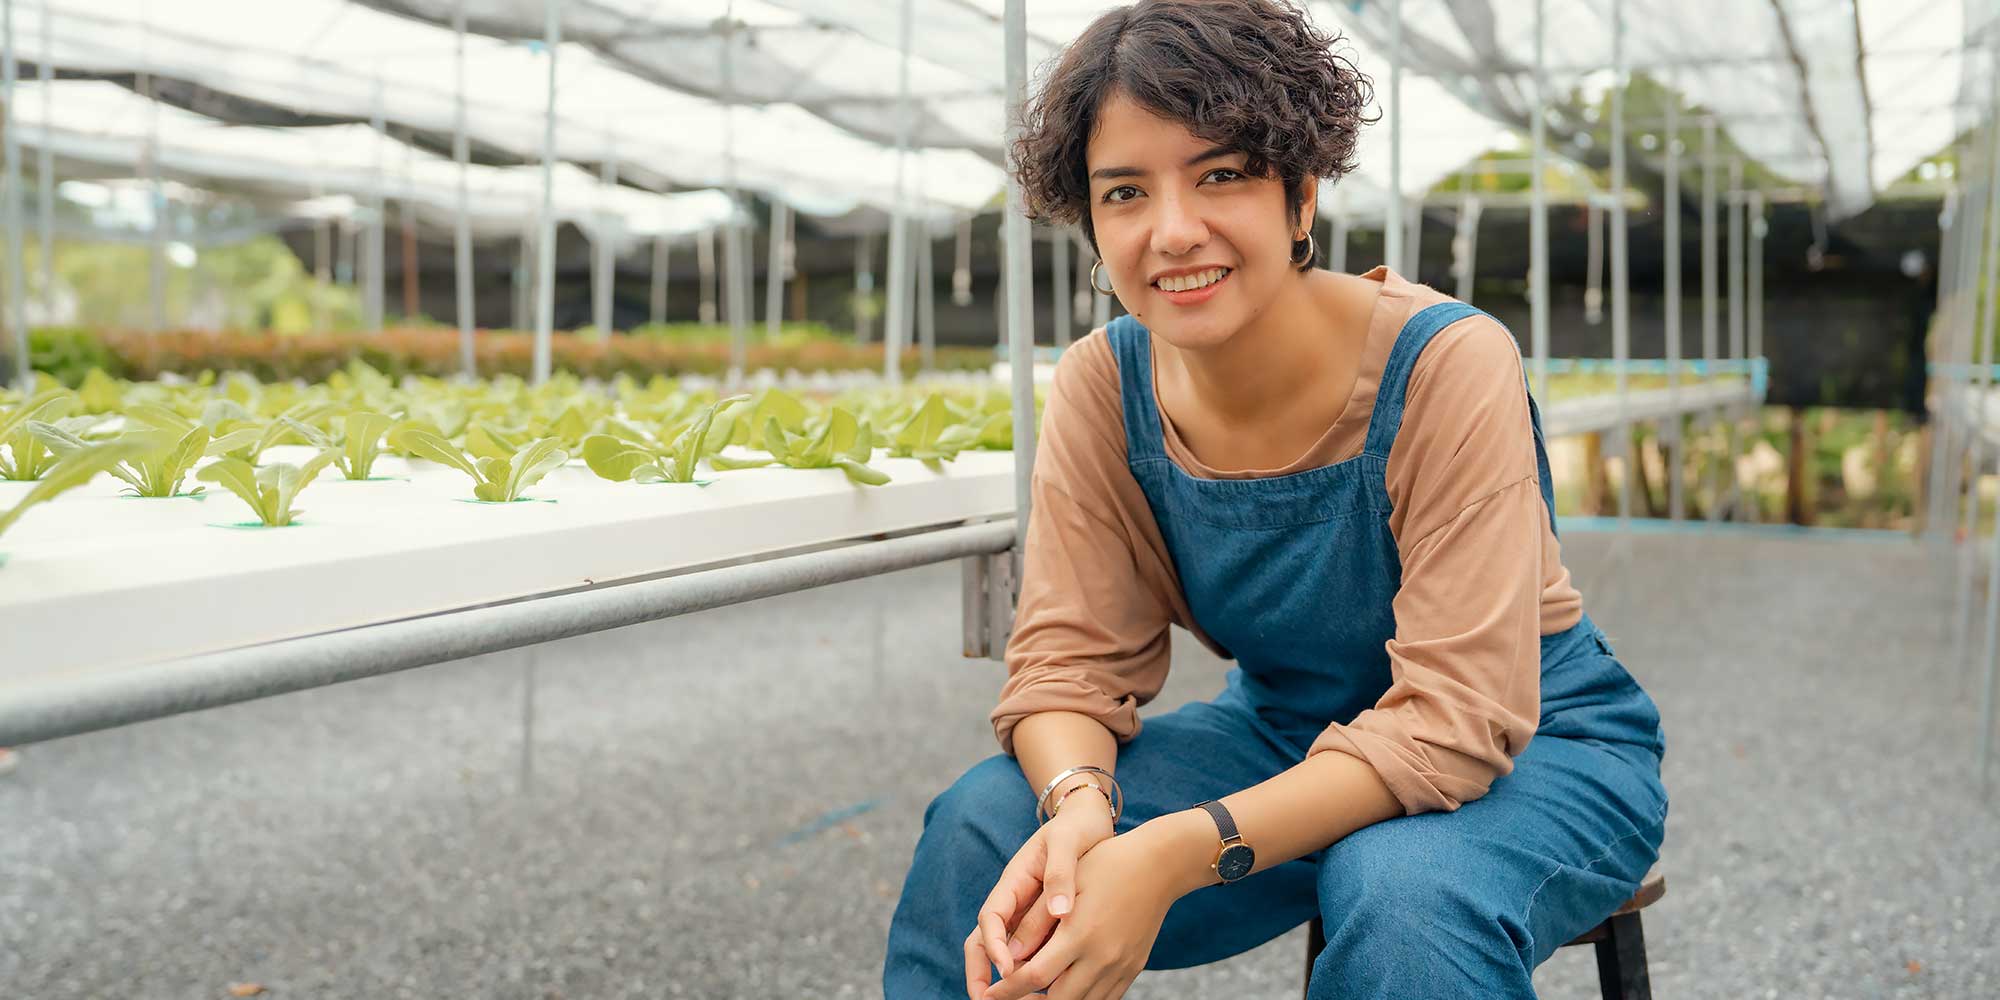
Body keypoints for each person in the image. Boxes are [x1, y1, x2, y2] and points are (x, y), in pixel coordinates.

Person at [882, 3, 1667, 999]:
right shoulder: (1102, 384)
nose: (1173, 231)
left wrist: (1172, 852)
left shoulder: (1445, 363)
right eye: (1124, 192)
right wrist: (1079, 802)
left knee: (1403, 892)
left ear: (1300, 198)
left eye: (1221, 176)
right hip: (1284, 731)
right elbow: (1066, 665)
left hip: (1526, 741)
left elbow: (1455, 719)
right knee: (985, 828)